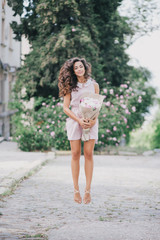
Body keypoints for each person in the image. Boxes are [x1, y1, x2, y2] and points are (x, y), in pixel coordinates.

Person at [58, 57, 99, 204]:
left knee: (88, 153)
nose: (79, 69)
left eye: (81, 66)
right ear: (73, 71)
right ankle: (76, 191)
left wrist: (93, 120)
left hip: (91, 121)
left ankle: (87, 190)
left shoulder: (94, 85)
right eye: (76, 68)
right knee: (75, 154)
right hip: (75, 121)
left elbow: (97, 105)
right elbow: (65, 108)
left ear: (85, 67)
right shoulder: (70, 86)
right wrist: (79, 120)